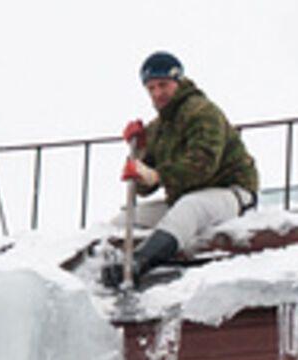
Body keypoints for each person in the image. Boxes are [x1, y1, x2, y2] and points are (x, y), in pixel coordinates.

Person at [103, 52, 260, 287]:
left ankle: (138, 262)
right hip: (184, 196)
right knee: (124, 218)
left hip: (230, 193)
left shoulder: (202, 112)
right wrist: (141, 154)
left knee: (189, 208)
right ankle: (104, 264)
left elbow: (203, 165)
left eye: (163, 85)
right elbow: (145, 189)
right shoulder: (158, 129)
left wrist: (157, 175)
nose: (157, 93)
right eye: (151, 88)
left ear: (178, 81)